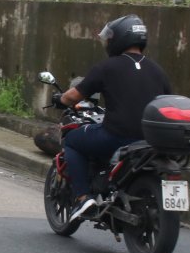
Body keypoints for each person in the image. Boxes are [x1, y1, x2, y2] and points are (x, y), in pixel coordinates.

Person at [59, 14, 172, 220]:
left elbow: (73, 96)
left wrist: (61, 98)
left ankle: (83, 198)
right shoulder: (158, 70)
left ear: (119, 39)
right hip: (151, 141)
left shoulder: (107, 67)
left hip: (117, 136)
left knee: (73, 140)